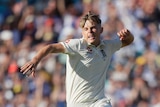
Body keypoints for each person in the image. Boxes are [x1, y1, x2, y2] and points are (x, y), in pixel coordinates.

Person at [20, 11, 134, 107]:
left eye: (93, 28)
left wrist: (129, 36)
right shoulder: (77, 45)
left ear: (101, 30)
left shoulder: (108, 46)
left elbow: (127, 41)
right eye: (86, 29)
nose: (90, 31)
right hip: (77, 104)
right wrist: (35, 61)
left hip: (98, 102)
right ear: (82, 32)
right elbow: (51, 47)